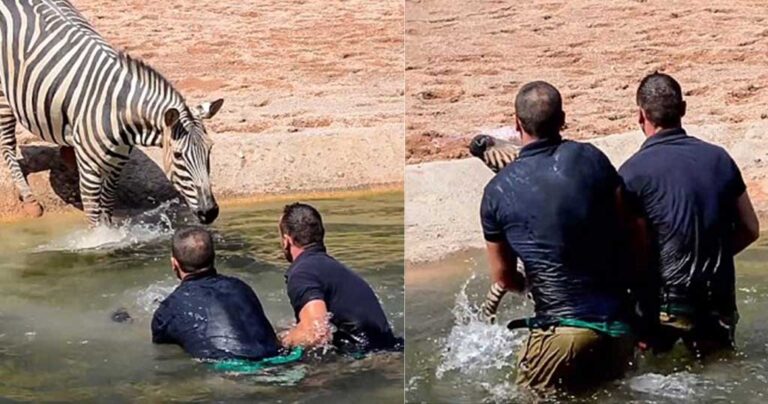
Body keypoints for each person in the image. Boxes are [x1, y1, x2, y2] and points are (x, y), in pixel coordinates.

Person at [480, 81, 634, 393]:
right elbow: (626, 225)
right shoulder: (592, 158)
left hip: (560, 335)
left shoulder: (496, 191)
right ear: (563, 118)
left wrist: (530, 285)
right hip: (619, 327)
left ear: (517, 123)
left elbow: (504, 277)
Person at [619, 73, 759, 357]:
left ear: (640, 116)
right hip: (715, 299)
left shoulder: (631, 172)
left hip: (665, 304)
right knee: (717, 369)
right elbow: (751, 228)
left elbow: (633, 250)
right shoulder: (719, 158)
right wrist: (711, 255)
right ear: (683, 109)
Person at [278, 202, 401, 353]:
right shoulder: (332, 268)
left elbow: (316, 334)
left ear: (287, 241)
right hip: (389, 352)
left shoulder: (302, 273)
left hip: (368, 362)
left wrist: (284, 340)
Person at [152, 227, 280, 361]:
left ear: (174, 264)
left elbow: (165, 352)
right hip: (279, 361)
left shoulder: (167, 310)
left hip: (229, 374)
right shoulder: (241, 287)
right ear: (213, 256)